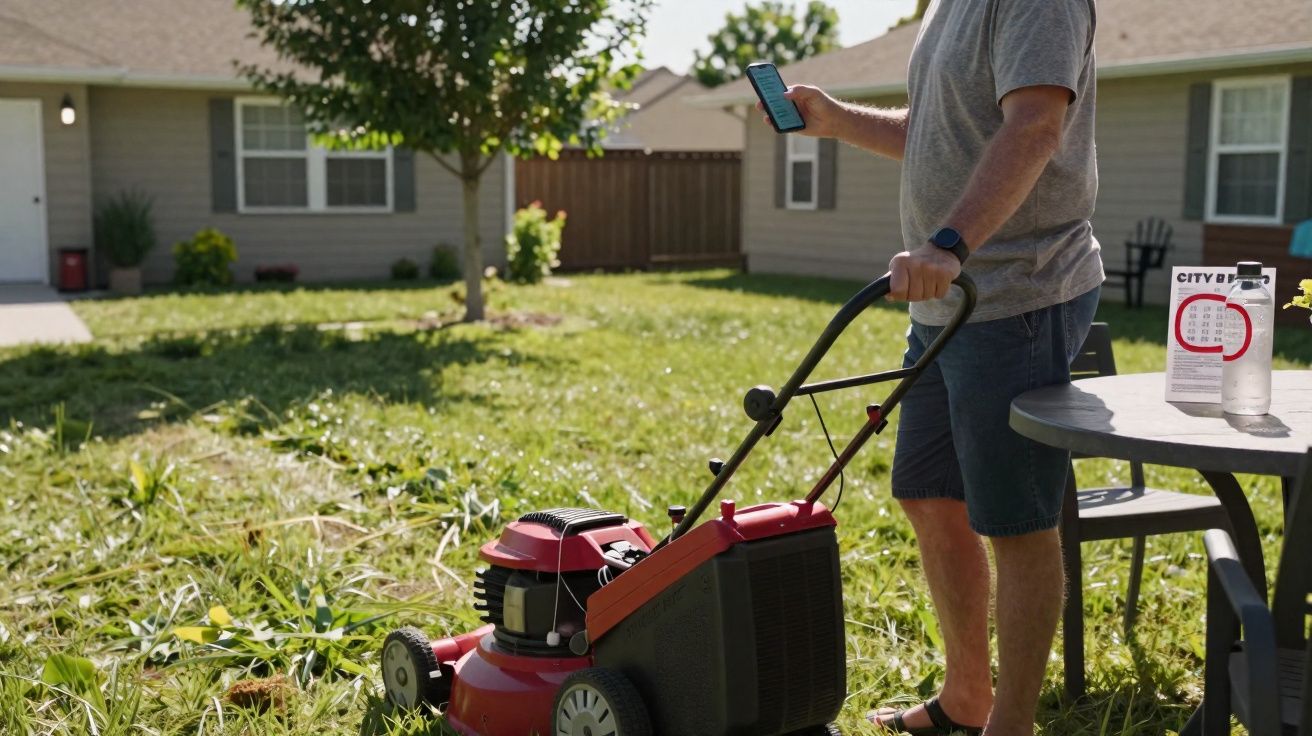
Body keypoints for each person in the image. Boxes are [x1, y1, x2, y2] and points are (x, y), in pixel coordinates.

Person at [758, 0, 1104, 733]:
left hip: (1015, 292)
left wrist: (949, 243)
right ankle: (966, 698)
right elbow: (935, 134)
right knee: (929, 495)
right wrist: (836, 119)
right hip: (948, 304)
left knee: (1015, 521)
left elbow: (1036, 124)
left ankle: (1009, 723)